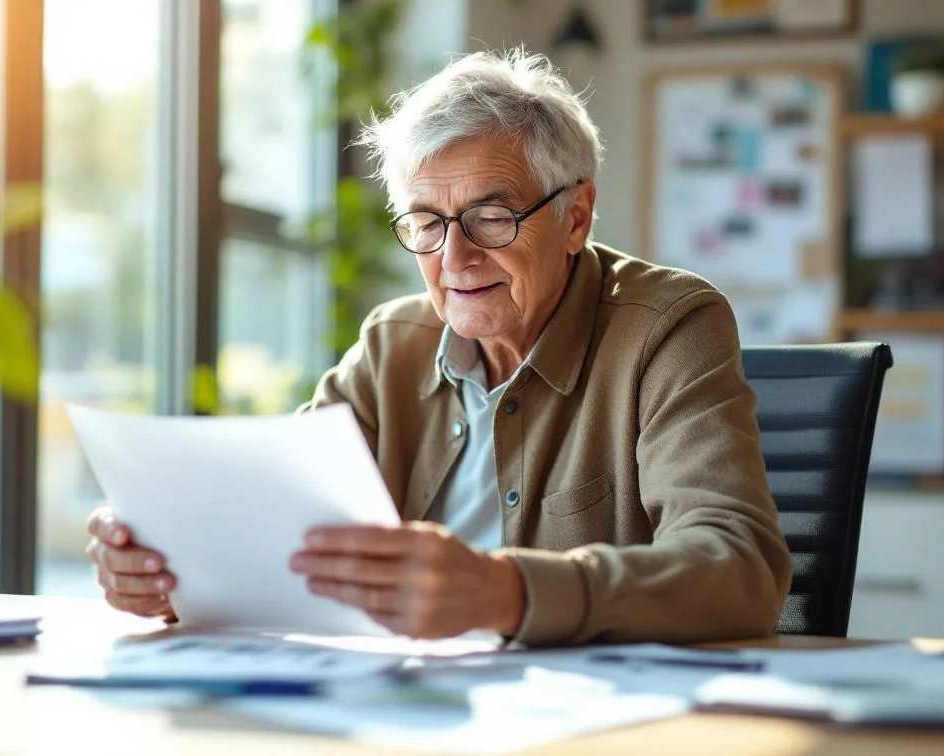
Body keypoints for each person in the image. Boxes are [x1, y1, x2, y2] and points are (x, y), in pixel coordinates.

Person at [86, 48, 792, 647]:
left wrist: (508, 593)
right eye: (426, 221)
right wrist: (167, 567)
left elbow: (739, 568)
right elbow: (273, 531)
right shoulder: (392, 343)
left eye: (491, 217)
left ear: (575, 217)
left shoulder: (667, 327)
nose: (454, 256)